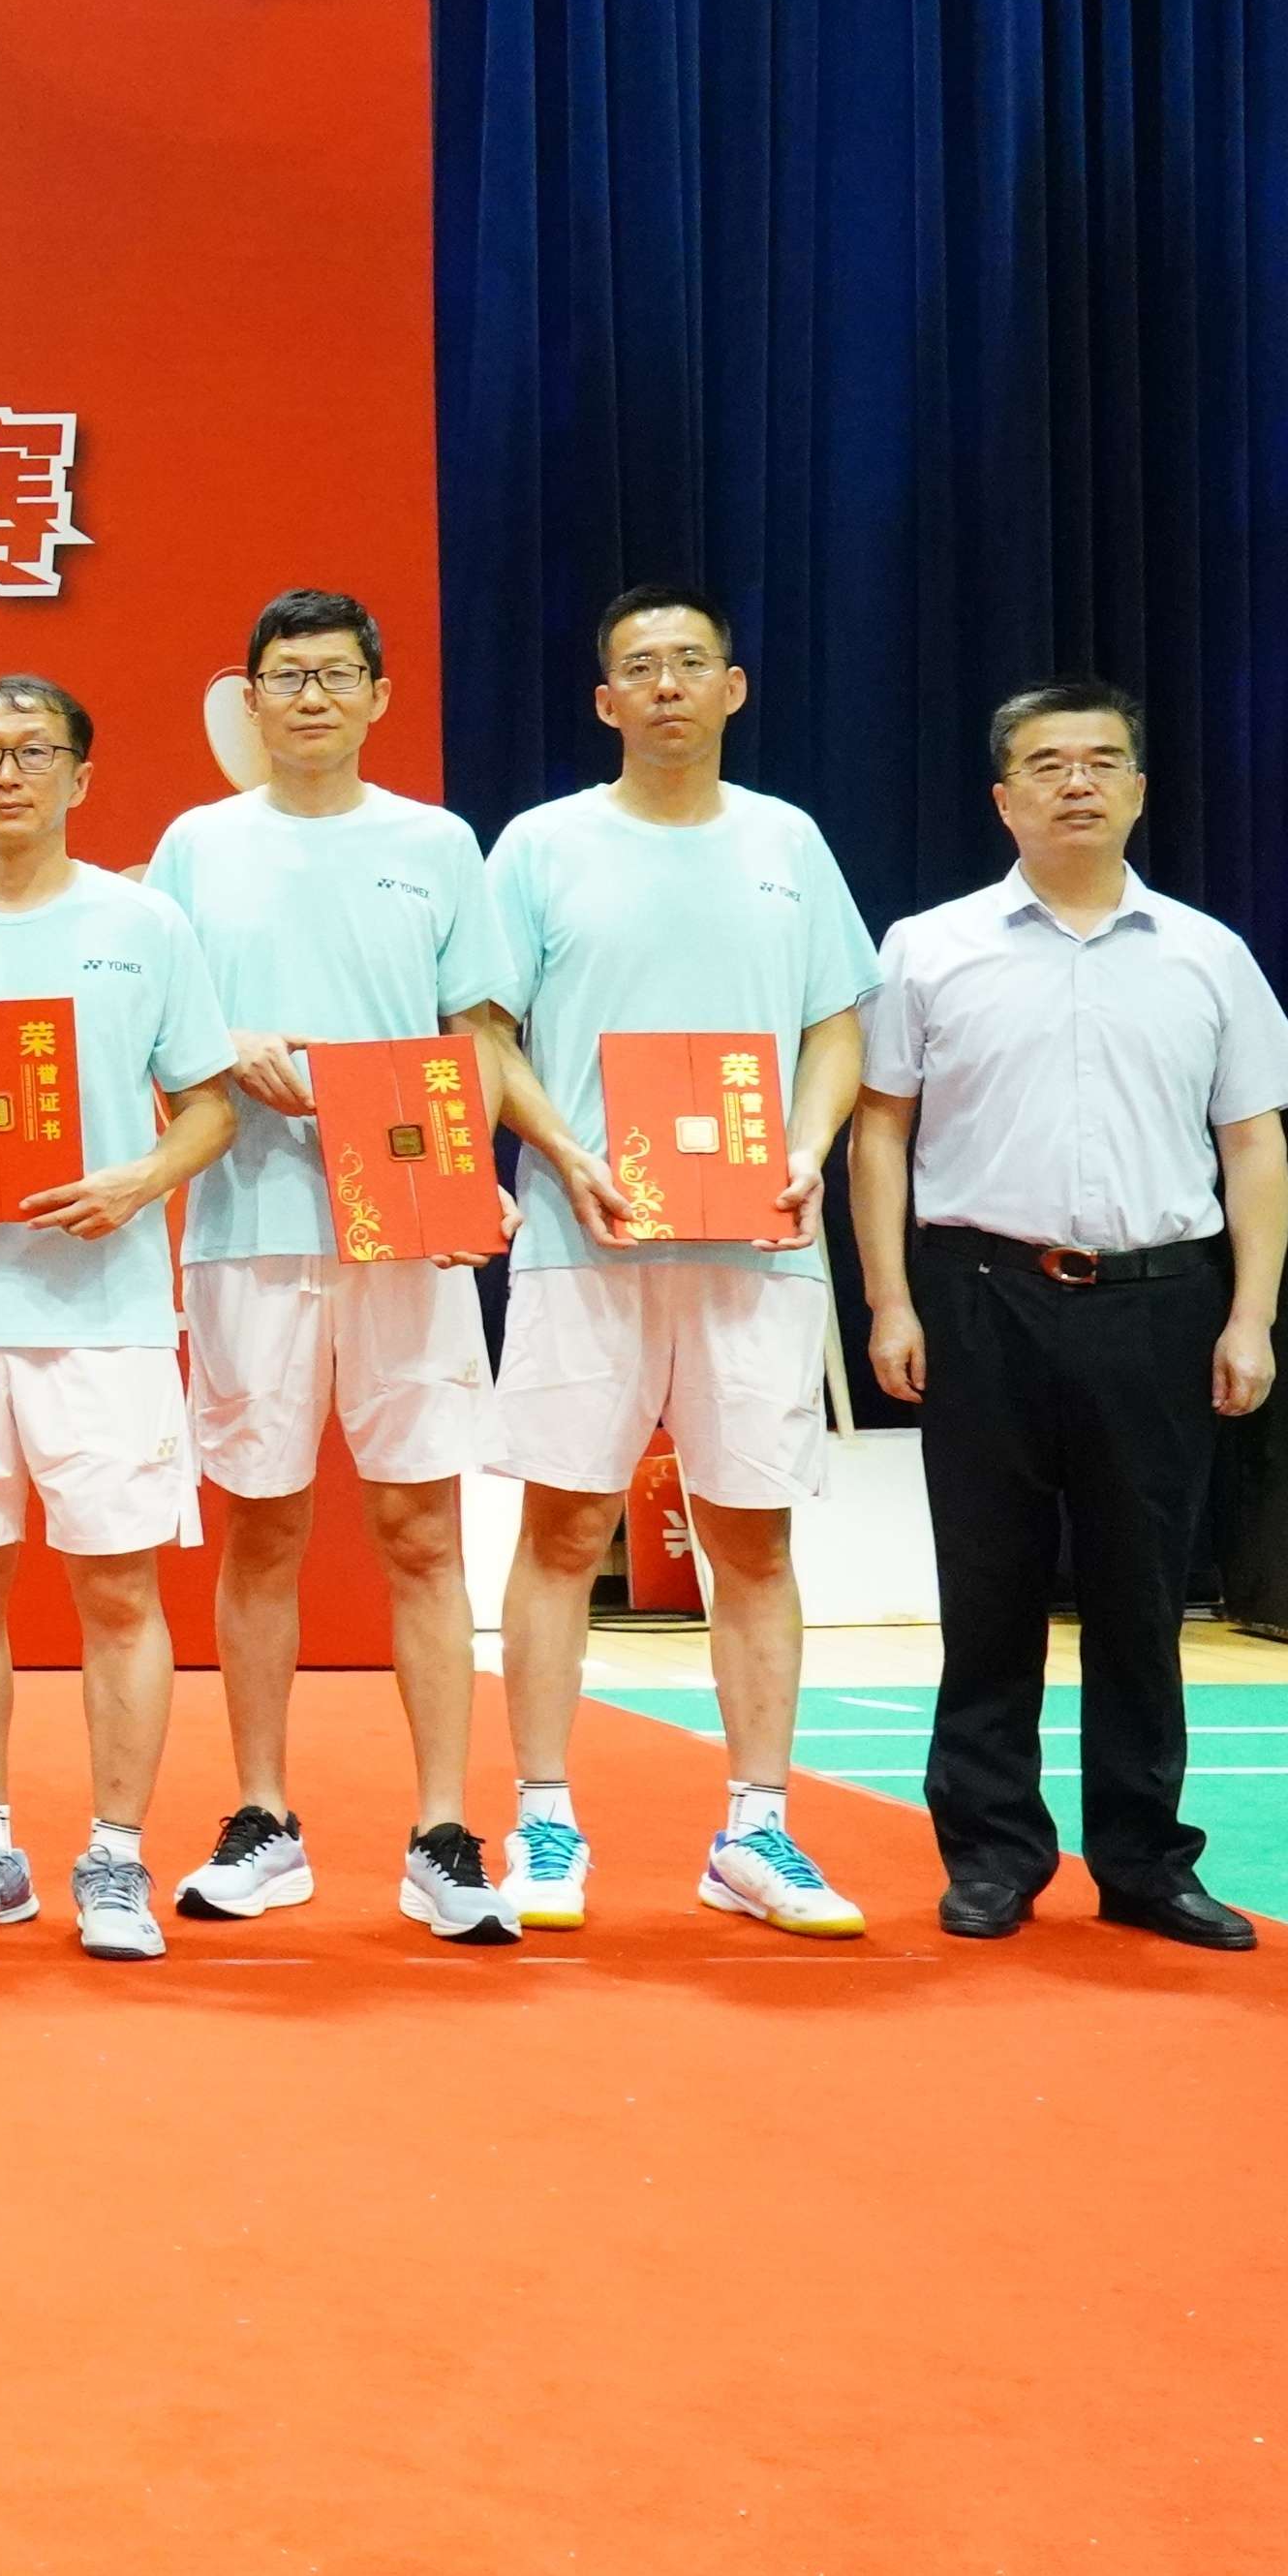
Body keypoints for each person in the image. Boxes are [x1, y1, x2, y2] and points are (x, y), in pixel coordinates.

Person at [854, 681, 1288, 1950]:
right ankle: (992, 1855)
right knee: (988, 1591)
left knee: (1142, 1599)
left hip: (1160, 1304)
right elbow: (879, 1133)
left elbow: (1255, 1146)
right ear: (1003, 797)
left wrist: (1253, 1317)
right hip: (979, 1296)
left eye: (1104, 761)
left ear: (1140, 791)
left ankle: (1146, 1862)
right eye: (1049, 763)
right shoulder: (926, 947)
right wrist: (889, 1299)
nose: (1077, 782)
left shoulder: (1208, 953)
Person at [476, 589, 882, 1940]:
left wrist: (806, 1152)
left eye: (689, 663)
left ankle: (756, 1829)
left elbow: (835, 1028)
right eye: (639, 668)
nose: (665, 685)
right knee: (562, 1526)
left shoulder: (788, 842)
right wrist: (564, 1151)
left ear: (733, 688)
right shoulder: (543, 845)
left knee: (751, 1535)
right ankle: (543, 1816)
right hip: (582, 1237)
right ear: (605, 701)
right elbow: (484, 1030)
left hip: (755, 1246)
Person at [139, 592, 536, 1945]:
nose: (310, 697)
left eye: (334, 675)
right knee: (261, 1524)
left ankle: (442, 1830)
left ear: (378, 695)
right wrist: (228, 1039)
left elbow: (479, 1032)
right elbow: (152, 1025)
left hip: (407, 1220)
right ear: (248, 699)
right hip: (247, 1221)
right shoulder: (196, 847)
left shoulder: (436, 843)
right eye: (286, 676)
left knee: (422, 1527)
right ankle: (262, 1817)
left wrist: (467, 1165)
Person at [0, 676, 241, 1964]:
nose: (10, 773)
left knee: (118, 1588)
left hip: (106, 1316)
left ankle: (117, 1857)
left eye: (36, 751)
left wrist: (139, 1180)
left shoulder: (145, 924)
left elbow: (209, 1102)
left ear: (81, 776)